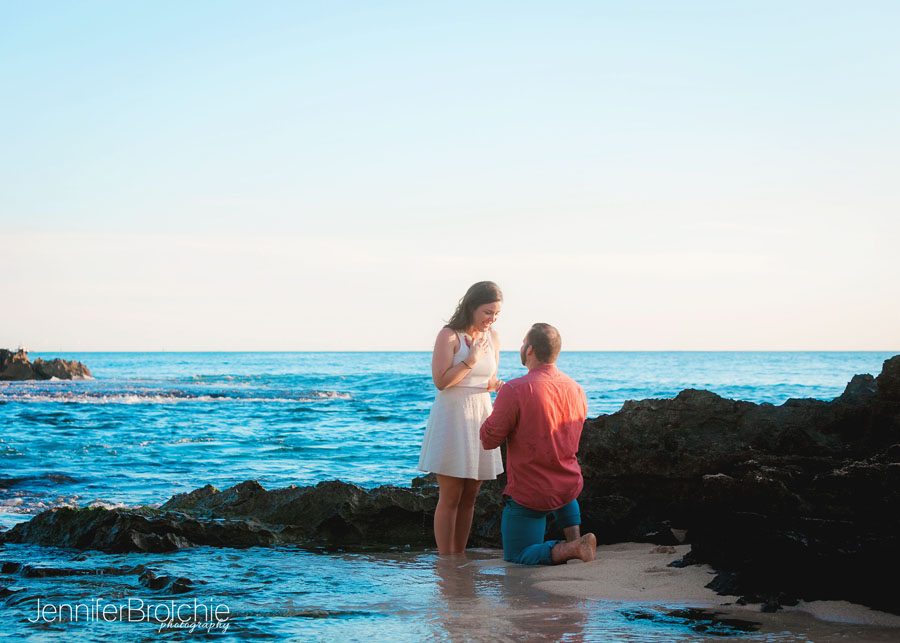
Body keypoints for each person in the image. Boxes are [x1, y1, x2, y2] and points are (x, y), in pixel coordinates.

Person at [479, 323, 596, 565]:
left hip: (530, 493)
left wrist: (481, 417)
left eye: (523, 343)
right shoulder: (577, 389)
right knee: (563, 490)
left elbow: (489, 440)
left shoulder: (515, 389)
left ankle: (573, 548)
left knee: (517, 555)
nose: (521, 347)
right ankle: (575, 537)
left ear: (529, 349)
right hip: (568, 483)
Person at [418, 281, 505, 554]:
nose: (491, 319)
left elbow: (487, 380)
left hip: (479, 414)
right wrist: (471, 359)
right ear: (472, 306)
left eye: (496, 314)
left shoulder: (493, 338)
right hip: (452, 417)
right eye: (487, 312)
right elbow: (441, 382)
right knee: (451, 496)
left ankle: (459, 555)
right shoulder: (449, 336)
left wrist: (498, 386)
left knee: (470, 497)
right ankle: (447, 561)